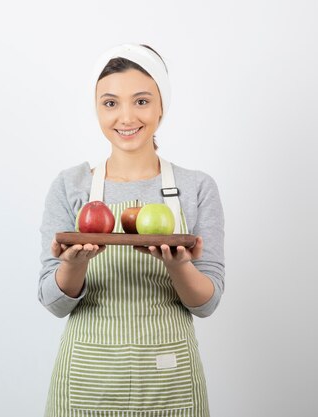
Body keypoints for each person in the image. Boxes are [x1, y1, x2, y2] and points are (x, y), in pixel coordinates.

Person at [37, 43, 225, 417]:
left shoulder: (197, 187)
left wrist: (177, 265)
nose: (126, 117)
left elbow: (208, 302)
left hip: (169, 378)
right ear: (97, 108)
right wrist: (75, 265)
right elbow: (53, 302)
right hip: (88, 380)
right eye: (110, 103)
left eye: (141, 101)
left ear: (161, 106)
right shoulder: (70, 185)